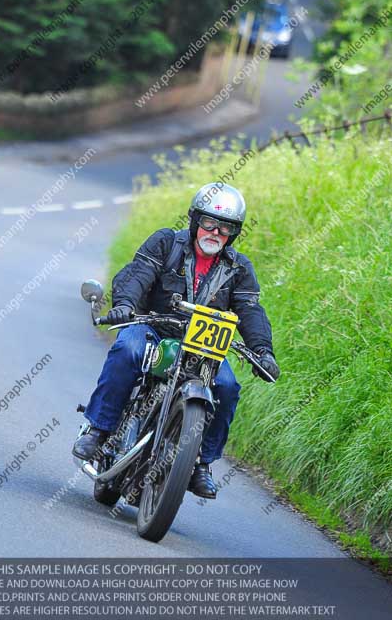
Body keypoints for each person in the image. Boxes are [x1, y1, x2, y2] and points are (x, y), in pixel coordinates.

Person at [72, 183, 279, 498]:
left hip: (202, 347)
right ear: (196, 220)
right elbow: (138, 274)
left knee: (227, 386)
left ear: (233, 233)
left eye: (225, 228)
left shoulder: (239, 268)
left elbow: (250, 310)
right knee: (128, 349)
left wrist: (263, 351)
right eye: (209, 223)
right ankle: (100, 430)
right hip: (154, 327)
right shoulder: (166, 243)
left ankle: (200, 463)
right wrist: (125, 305)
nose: (215, 232)